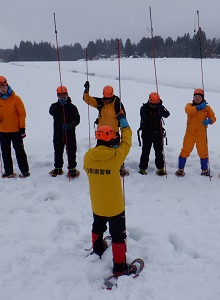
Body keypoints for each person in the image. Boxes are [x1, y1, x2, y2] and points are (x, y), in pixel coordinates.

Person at [83, 115, 135, 277]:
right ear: (112, 139)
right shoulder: (116, 156)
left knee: (98, 226)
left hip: (97, 204)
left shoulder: (87, 157)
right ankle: (119, 267)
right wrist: (125, 125)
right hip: (115, 206)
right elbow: (127, 142)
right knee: (118, 235)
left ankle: (98, 248)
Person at [83, 81, 129, 176]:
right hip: (102, 133)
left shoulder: (117, 103)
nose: (107, 100)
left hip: (114, 132)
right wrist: (86, 91)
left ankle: (120, 167)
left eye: (109, 98)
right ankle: (100, 166)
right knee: (101, 151)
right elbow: (88, 100)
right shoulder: (100, 102)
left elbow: (122, 115)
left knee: (116, 152)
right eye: (106, 98)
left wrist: (123, 125)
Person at [0, 75, 30, 178]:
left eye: (4, 87)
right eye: (0, 88)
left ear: (7, 86)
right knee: (5, 151)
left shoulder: (16, 99)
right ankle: (8, 171)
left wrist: (22, 128)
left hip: (15, 130)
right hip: (3, 131)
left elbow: (22, 113)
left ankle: (25, 170)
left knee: (19, 150)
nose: (3, 89)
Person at [175, 88, 216, 177]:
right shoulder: (189, 105)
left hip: (201, 134)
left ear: (202, 98)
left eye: (199, 96)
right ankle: (180, 169)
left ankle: (204, 170)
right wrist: (198, 107)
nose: (197, 98)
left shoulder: (207, 108)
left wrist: (209, 121)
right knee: (185, 151)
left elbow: (213, 118)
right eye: (195, 96)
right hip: (190, 134)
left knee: (203, 152)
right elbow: (188, 111)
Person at [49, 86, 81, 178]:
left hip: (69, 134)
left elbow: (77, 119)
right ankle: (58, 168)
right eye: (60, 95)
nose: (62, 97)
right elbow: (52, 112)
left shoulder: (72, 107)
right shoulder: (54, 106)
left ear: (67, 95)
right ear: (57, 96)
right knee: (58, 151)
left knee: (71, 151)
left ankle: (72, 169)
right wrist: (60, 105)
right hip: (58, 134)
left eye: (64, 95)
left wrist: (70, 125)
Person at [138, 92, 170, 176]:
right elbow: (145, 119)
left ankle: (160, 168)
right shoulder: (144, 108)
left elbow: (167, 114)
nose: (154, 106)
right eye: (152, 104)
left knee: (159, 151)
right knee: (145, 151)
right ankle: (142, 168)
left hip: (158, 133)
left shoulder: (160, 107)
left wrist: (161, 108)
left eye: (156, 104)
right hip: (146, 133)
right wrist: (157, 117)